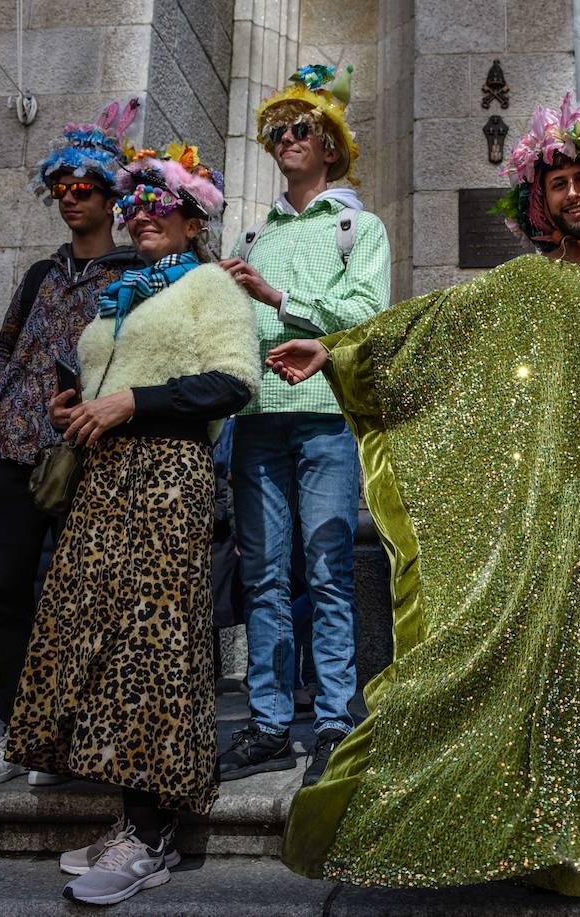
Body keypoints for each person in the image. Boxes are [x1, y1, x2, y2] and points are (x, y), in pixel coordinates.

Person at [267, 94, 580, 895]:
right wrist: (335, 352)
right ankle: (560, 835)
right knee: (549, 670)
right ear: (539, 202)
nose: (571, 194)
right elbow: (432, 325)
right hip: (551, 517)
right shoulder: (525, 285)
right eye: (556, 184)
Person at [3, 144, 262, 906]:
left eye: (160, 205)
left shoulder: (211, 286)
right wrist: (77, 403)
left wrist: (129, 403)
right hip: (104, 481)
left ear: (191, 219)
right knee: (103, 639)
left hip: (165, 479)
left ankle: (151, 834)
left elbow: (232, 381)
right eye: (135, 205)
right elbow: (98, 379)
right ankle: (131, 819)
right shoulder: (123, 293)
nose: (142, 215)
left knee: (152, 645)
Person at [0, 99, 145, 790]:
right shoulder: (40, 272)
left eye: (85, 188)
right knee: (3, 590)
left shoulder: (133, 274)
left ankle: (61, 732)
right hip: (13, 450)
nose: (71, 198)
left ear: (111, 195)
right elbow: (5, 342)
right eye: (61, 187)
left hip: (86, 454)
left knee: (76, 598)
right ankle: (16, 731)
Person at [215, 64, 390, 786]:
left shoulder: (358, 226)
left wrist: (275, 296)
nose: (285, 139)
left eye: (302, 130)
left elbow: (364, 316)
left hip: (324, 418)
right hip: (257, 418)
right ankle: (264, 721)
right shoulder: (257, 230)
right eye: (277, 131)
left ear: (331, 147)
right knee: (260, 575)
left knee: (326, 571)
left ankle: (334, 721)